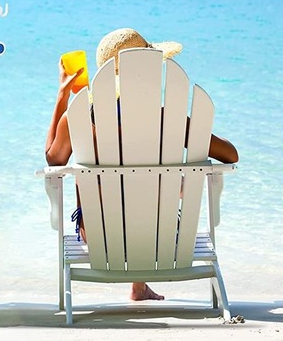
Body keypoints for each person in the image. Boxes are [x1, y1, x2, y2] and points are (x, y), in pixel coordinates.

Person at [45, 27, 238, 303]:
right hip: (161, 235)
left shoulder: (79, 122)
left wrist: (62, 97)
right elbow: (231, 155)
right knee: (144, 188)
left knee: (120, 190)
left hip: (100, 238)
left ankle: (139, 287)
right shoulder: (166, 118)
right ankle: (139, 285)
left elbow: (53, 159)